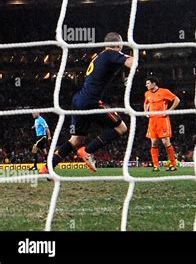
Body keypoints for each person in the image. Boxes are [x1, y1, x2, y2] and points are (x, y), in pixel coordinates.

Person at [40, 32, 133, 175]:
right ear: (119, 44)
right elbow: (131, 63)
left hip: (79, 100)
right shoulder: (110, 54)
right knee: (121, 128)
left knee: (76, 140)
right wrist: (137, 51)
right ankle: (88, 151)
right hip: (91, 101)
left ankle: (47, 168)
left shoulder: (99, 56)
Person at [144, 76, 180, 172]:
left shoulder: (164, 92)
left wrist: (169, 110)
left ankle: (173, 164)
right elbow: (146, 102)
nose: (146, 85)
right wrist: (145, 111)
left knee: (165, 142)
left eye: (148, 83)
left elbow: (177, 100)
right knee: (154, 142)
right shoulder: (147, 94)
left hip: (162, 120)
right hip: (152, 121)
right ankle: (156, 166)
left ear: (154, 83)